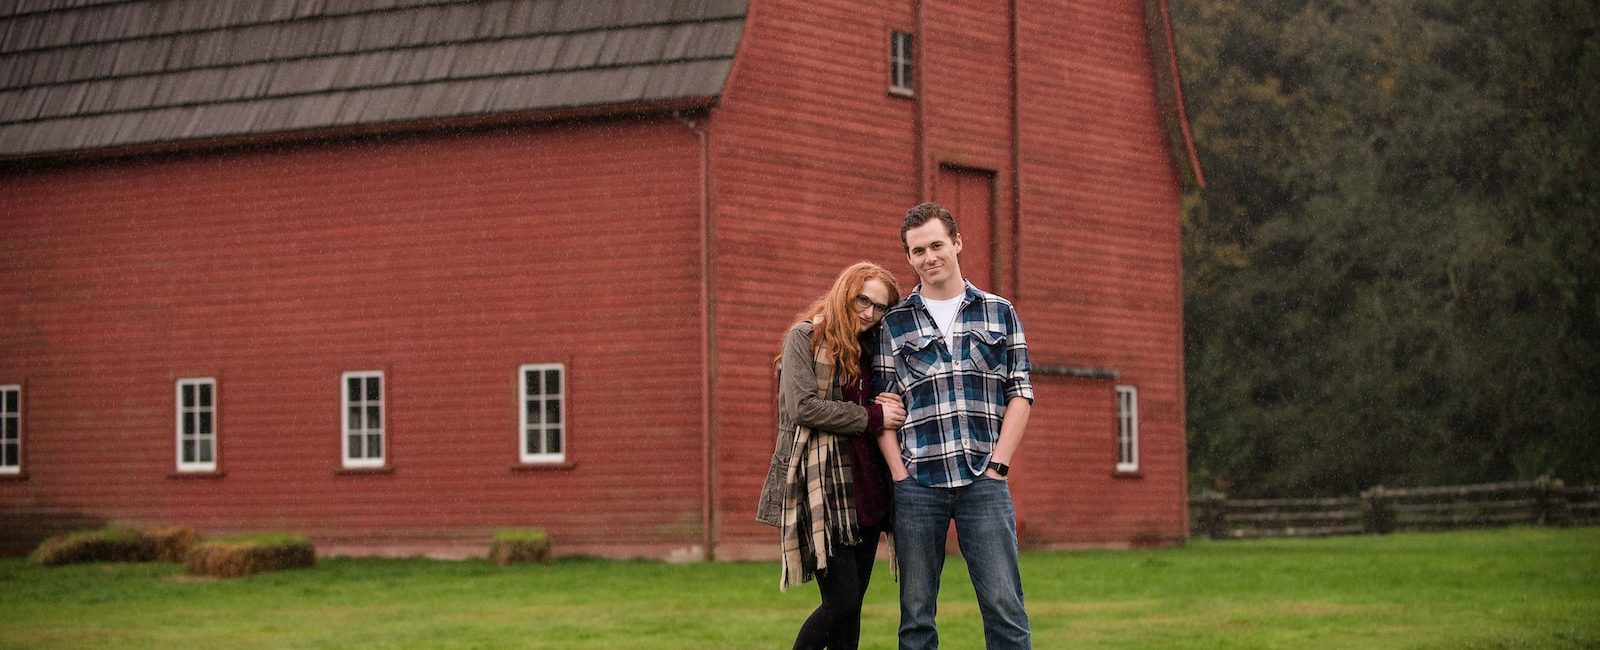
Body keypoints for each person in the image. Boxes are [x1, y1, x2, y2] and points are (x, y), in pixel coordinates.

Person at [872, 202, 1034, 649]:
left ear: (957, 242)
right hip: (918, 483)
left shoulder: (999, 312)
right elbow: (883, 408)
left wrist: (999, 465)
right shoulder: (895, 324)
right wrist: (899, 477)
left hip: (984, 479)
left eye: (937, 244)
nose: (930, 257)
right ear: (909, 257)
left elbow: (1020, 393)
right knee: (917, 616)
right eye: (918, 250)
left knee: (1005, 609)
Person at [756, 261, 908, 650]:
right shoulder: (803, 338)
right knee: (840, 601)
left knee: (852, 608)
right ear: (845, 292)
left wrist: (893, 404)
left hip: (869, 490)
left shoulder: (874, 348)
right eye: (863, 301)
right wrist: (873, 415)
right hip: (823, 486)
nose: (869, 313)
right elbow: (803, 407)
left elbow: (890, 397)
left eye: (880, 307)